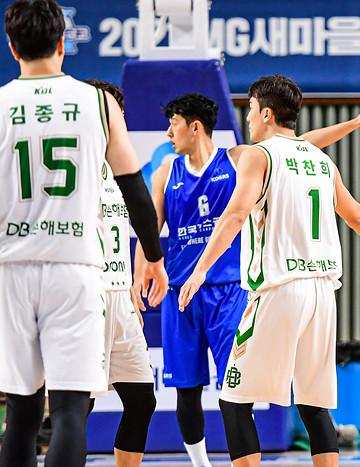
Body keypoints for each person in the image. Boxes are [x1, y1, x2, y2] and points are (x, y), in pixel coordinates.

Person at [133, 90, 360, 466]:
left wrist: (200, 270)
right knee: (308, 404)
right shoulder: (170, 170)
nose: (168, 132)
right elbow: (303, 149)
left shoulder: (242, 157)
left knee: (235, 398)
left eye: (250, 109)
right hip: (307, 289)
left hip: (245, 289)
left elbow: (245, 203)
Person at [0, 2, 167, 467]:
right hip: (76, 269)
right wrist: (154, 257)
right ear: (62, 43)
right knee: (71, 411)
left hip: (12, 269)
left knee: (22, 413)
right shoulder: (98, 102)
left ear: (12, 47)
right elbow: (133, 186)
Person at [84, 79, 157, 467]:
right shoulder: (79, 166)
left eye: (120, 114)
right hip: (87, 294)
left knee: (142, 399)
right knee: (77, 403)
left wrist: (129, 284)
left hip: (119, 295)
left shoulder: (120, 169)